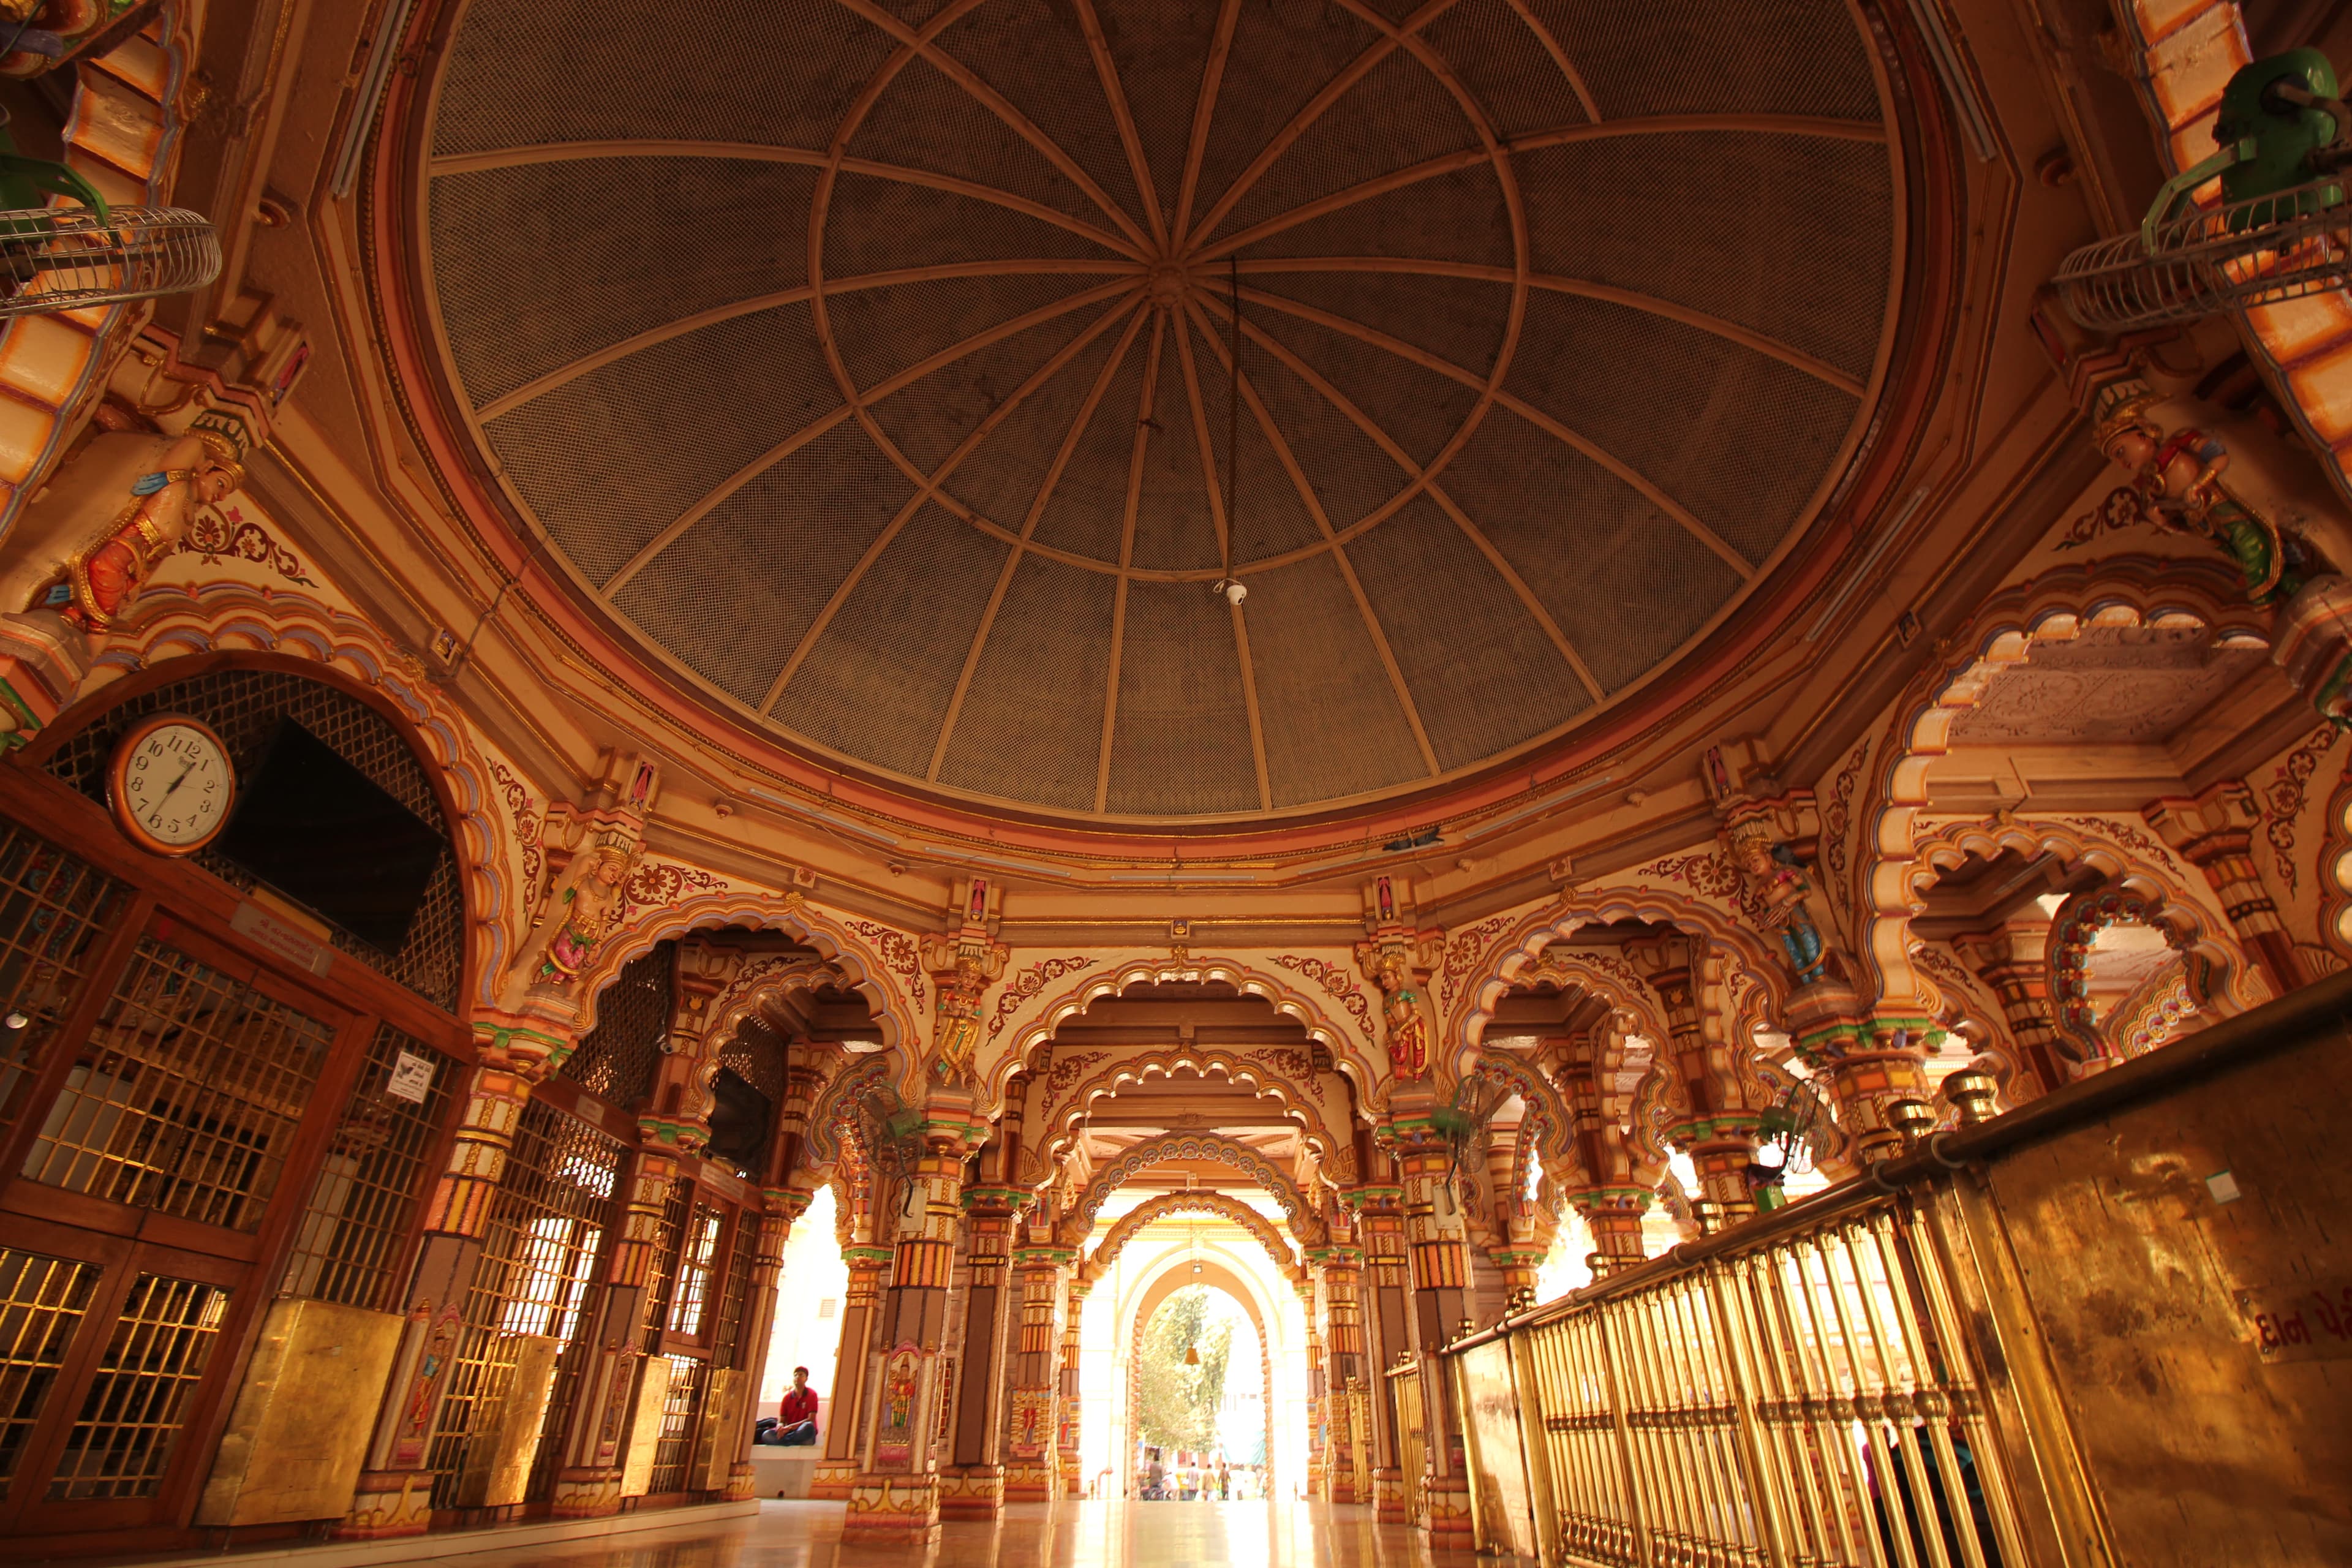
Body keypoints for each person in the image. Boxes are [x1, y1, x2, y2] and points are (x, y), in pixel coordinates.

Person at [775, 1365, 819, 1446]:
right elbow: (782, 1420)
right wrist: (780, 1427)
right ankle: (789, 1441)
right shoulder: (787, 1398)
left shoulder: (812, 1395)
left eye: (801, 1375)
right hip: (790, 1433)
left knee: (808, 1426)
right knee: (767, 1435)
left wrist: (790, 1427)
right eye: (795, 1375)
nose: (797, 1377)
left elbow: (811, 1420)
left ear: (806, 1379)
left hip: (804, 1433)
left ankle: (785, 1442)